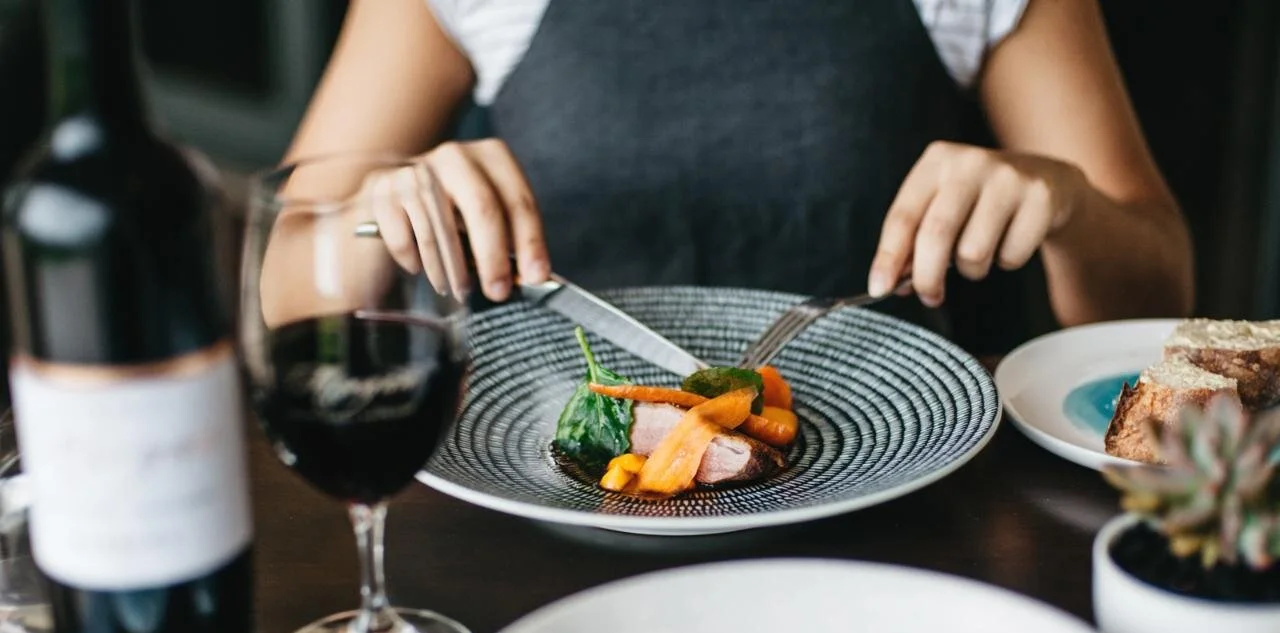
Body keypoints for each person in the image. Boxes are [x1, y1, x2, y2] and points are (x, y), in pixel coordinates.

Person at [275, 0, 1194, 350]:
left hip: (888, 503)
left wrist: (1065, 204)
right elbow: (281, 282)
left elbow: (1158, 295)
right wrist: (373, 212)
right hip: (528, 500)